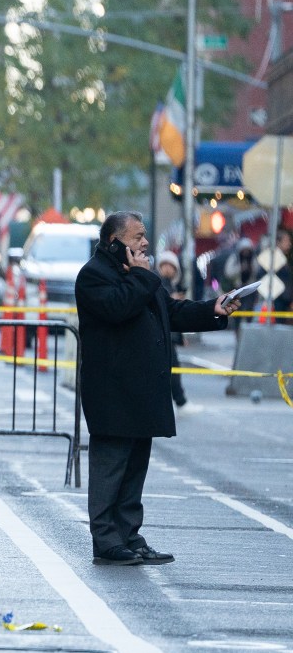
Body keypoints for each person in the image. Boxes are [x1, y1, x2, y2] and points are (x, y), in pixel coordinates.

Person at [76, 210, 232, 566]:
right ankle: (106, 540)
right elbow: (119, 309)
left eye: (144, 235)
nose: (145, 243)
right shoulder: (93, 276)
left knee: (134, 468)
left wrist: (215, 310)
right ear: (115, 244)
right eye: (137, 237)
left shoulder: (140, 277)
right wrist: (144, 277)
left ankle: (129, 535)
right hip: (112, 393)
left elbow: (171, 312)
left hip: (142, 391)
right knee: (111, 467)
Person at [155, 250, 189, 410]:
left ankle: (179, 401)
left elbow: (176, 316)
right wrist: (171, 299)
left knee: (172, 368)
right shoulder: (157, 283)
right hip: (160, 334)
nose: (168, 269)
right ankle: (180, 401)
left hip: (169, 335)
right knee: (170, 369)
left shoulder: (173, 285)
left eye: (171, 266)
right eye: (165, 265)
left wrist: (181, 337)